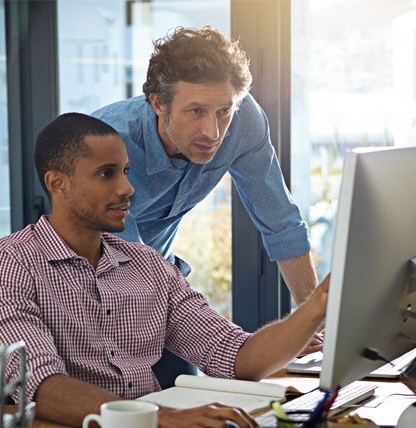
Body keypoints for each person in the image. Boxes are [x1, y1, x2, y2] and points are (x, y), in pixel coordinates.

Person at [0, 113, 328, 428]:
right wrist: (163, 420)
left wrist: (316, 307)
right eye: (106, 174)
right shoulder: (8, 265)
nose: (127, 188)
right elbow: (41, 388)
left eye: (125, 171)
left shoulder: (147, 266)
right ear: (57, 183)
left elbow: (236, 357)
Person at [92, 27, 319, 387]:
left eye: (223, 111)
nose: (212, 131)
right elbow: (128, 263)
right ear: (157, 103)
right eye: (195, 111)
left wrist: (314, 323)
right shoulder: (110, 142)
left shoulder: (243, 121)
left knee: (185, 402)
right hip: (90, 297)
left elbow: (281, 222)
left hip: (158, 285)